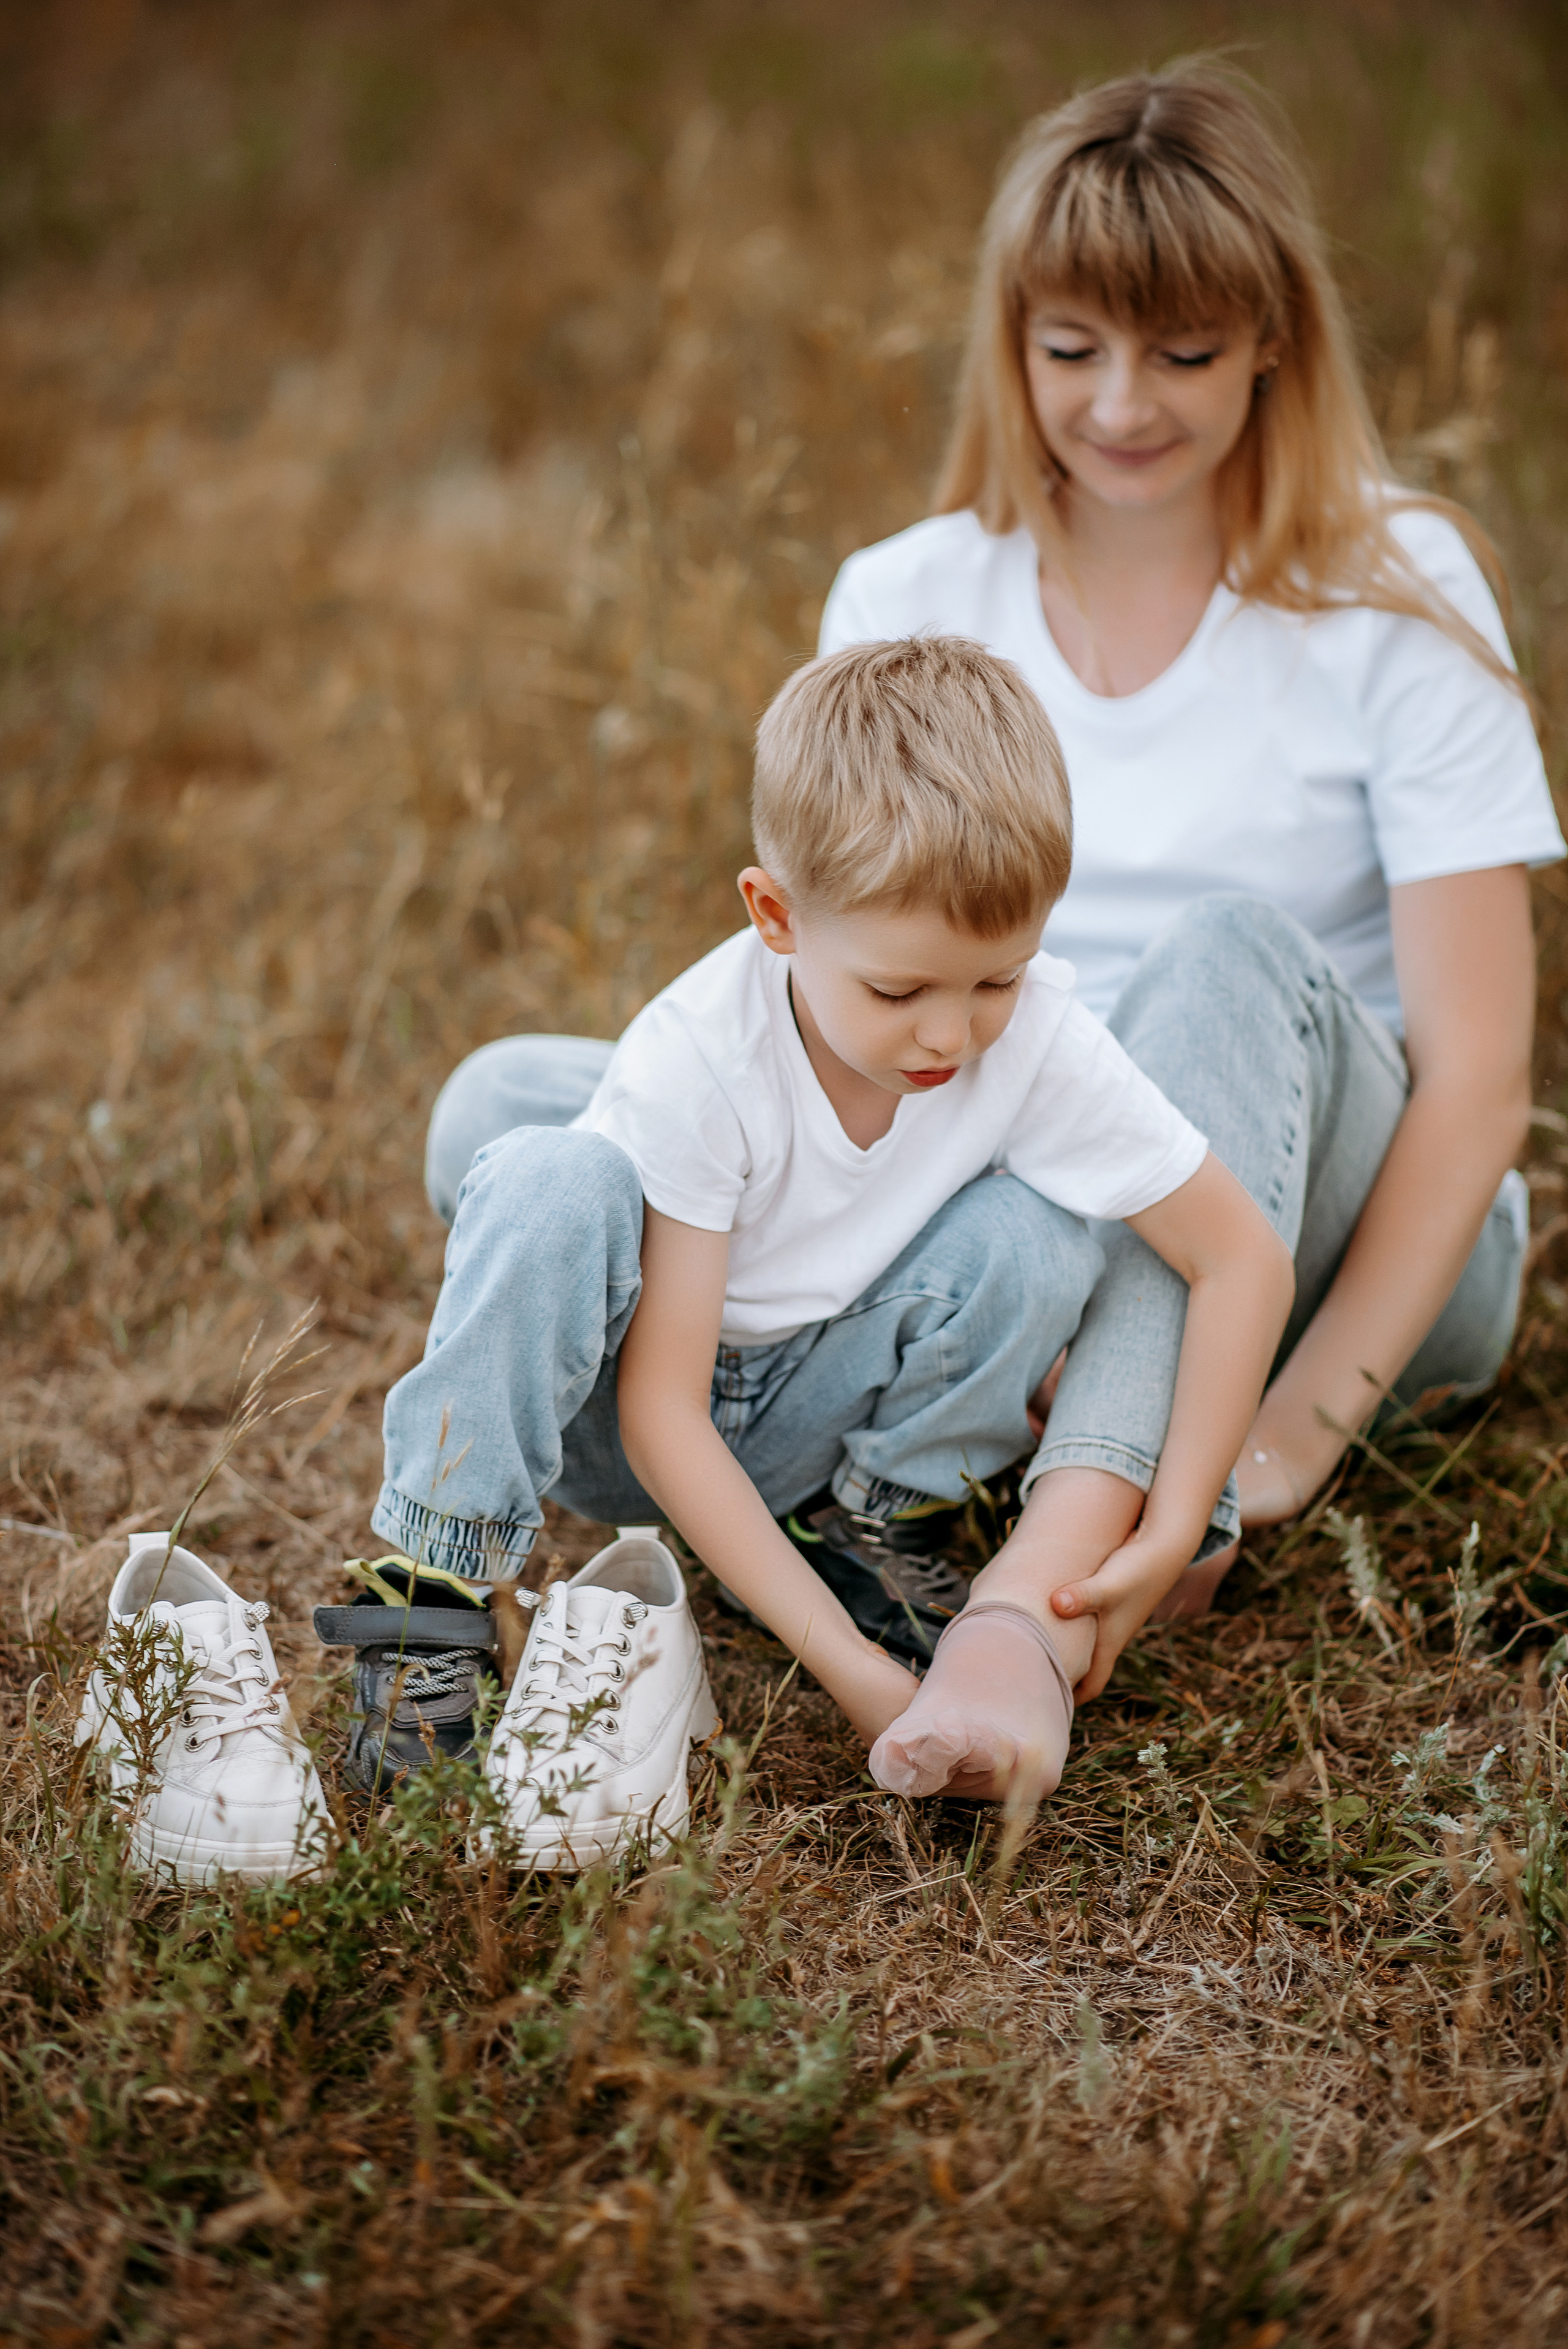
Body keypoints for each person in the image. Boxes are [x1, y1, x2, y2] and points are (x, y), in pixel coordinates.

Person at [813, 59, 1562, 1628]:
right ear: (1009, 341)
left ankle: (1073, 1553)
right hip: (1032, 1184)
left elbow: (1480, 1081)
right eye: (1070, 348)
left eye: (1184, 351)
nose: (1119, 405)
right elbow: (851, 1004)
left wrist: (1278, 1446)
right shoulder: (903, 597)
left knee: (1211, 958)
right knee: (516, 1117)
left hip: (1352, 1236)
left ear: (1273, 339)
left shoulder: (1393, 589)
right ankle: (941, 1409)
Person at [364, 637, 1292, 1824]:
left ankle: (856, 1522)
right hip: (636, 1418)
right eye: (899, 991)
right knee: (552, 1175)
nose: (949, 1036)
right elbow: (662, 1414)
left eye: (994, 982)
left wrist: (1170, 1522)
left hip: (823, 1395)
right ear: (776, 915)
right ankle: (431, 1596)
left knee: (1046, 1233)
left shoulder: (1038, 1037)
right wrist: (853, 1677)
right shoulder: (703, 1054)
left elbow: (1238, 1257)